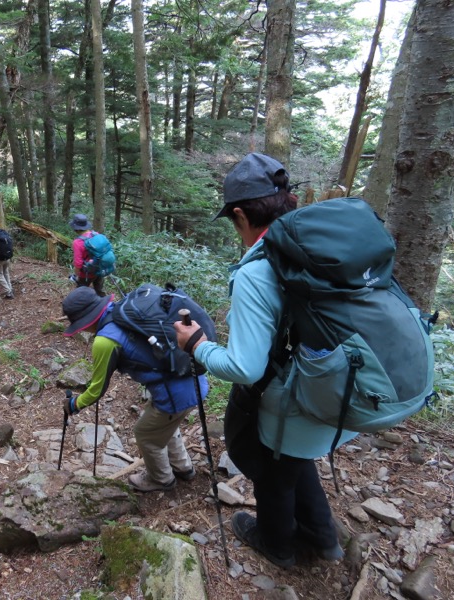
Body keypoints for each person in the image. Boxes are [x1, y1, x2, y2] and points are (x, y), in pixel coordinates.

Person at [174, 152, 353, 568]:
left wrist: (196, 345)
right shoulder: (318, 246)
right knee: (294, 459)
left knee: (273, 467)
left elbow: (245, 368)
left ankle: (278, 544)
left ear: (240, 214)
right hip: (336, 385)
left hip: (293, 396)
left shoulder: (258, 271)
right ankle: (323, 538)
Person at [61, 286, 208, 492]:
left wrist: (74, 404)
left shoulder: (104, 341)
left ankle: (161, 479)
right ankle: (183, 468)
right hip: (194, 378)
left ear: (87, 321)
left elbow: (97, 389)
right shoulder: (122, 310)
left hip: (175, 394)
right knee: (164, 426)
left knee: (146, 433)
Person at [69, 213, 105, 297]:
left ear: (76, 229)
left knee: (80, 294)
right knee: (99, 292)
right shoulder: (96, 234)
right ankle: (104, 306)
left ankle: (81, 308)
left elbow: (78, 264)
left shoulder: (77, 242)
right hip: (99, 270)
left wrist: (76, 276)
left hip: (86, 274)